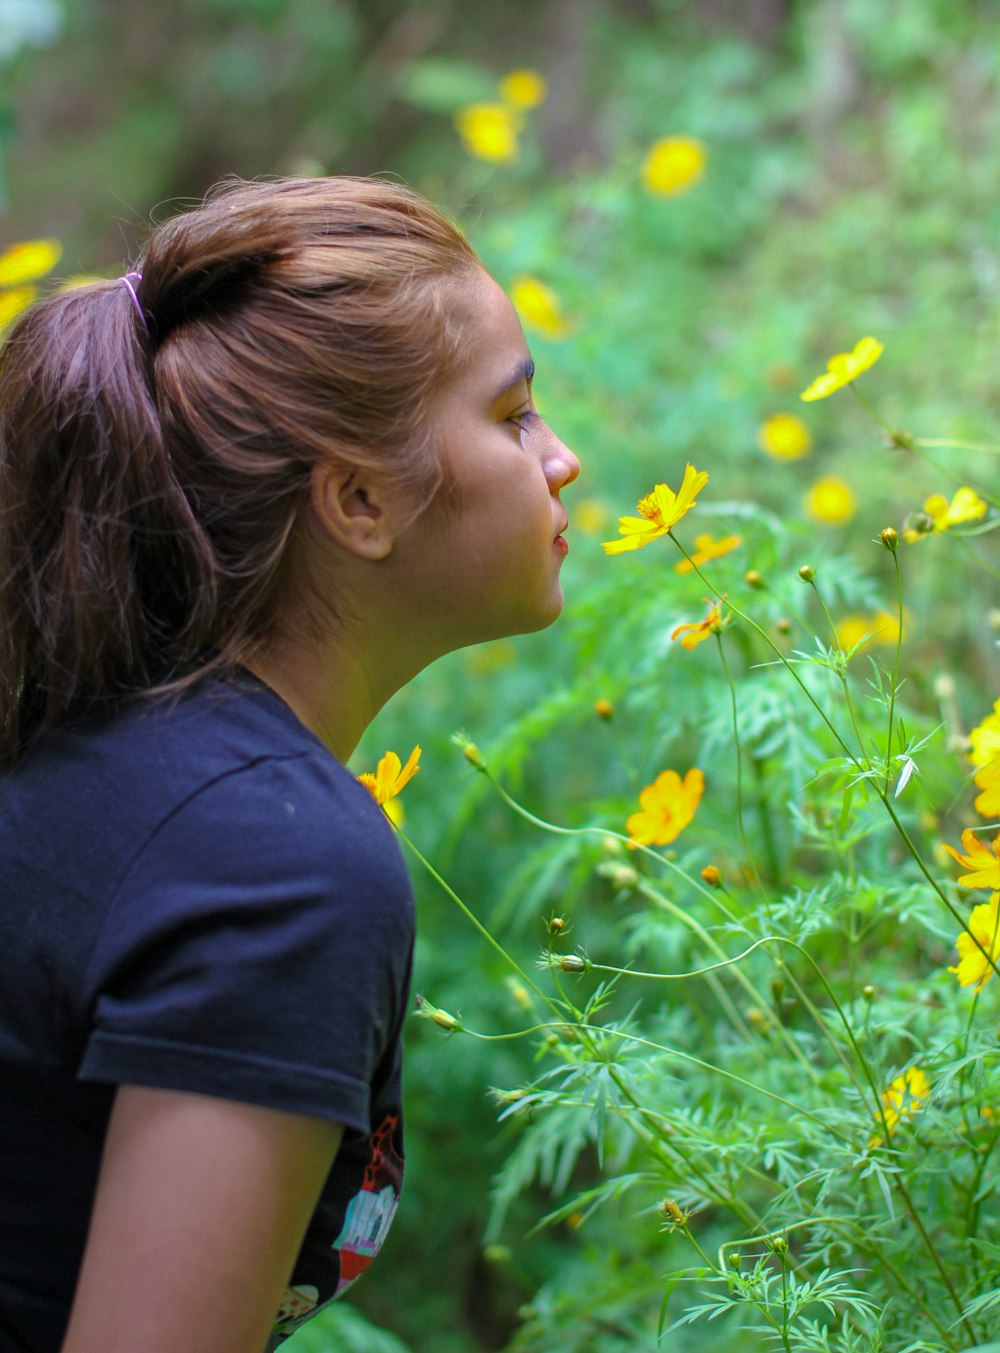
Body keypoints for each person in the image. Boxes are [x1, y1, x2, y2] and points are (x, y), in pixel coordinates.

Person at [0, 176, 579, 1353]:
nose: (560, 460)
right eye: (513, 415)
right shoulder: (276, 869)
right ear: (360, 500)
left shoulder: (93, 734)